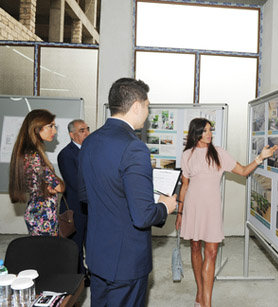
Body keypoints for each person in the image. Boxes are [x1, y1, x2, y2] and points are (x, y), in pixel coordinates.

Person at [78, 78, 177, 307]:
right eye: (148, 106)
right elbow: (142, 216)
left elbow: (85, 195)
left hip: (97, 254)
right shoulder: (134, 147)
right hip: (126, 261)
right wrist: (164, 207)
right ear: (136, 106)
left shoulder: (90, 141)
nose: (148, 112)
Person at [175, 118, 277, 307]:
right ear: (196, 133)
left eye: (210, 130)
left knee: (212, 252)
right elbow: (185, 185)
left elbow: (244, 171)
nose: (209, 134)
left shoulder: (219, 153)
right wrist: (179, 212)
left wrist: (260, 157)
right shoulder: (187, 155)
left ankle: (207, 303)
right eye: (205, 131)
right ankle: (200, 291)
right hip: (193, 207)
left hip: (212, 209)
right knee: (195, 247)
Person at [9, 109, 65, 236]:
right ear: (36, 128)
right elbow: (59, 186)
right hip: (42, 218)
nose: (54, 131)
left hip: (41, 216)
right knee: (45, 254)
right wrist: (56, 185)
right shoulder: (34, 156)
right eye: (50, 126)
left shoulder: (31, 154)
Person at [57, 119, 90, 277]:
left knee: (91, 243)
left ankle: (90, 272)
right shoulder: (66, 154)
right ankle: (79, 277)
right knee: (75, 245)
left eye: (87, 129)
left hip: (91, 207)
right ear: (72, 134)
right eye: (82, 130)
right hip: (75, 208)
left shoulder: (90, 150)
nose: (87, 133)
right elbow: (76, 183)